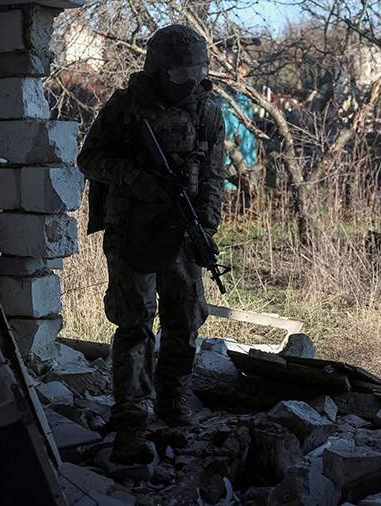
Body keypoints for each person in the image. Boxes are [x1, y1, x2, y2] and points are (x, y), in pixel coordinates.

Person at [77, 24, 225, 465]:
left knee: (185, 317)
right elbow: (90, 159)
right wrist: (137, 179)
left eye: (197, 72)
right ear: (158, 70)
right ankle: (130, 415)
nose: (190, 82)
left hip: (181, 229)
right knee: (136, 322)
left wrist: (207, 225)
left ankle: (172, 399)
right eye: (180, 75)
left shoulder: (207, 110)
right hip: (132, 231)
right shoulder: (126, 108)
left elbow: (214, 174)